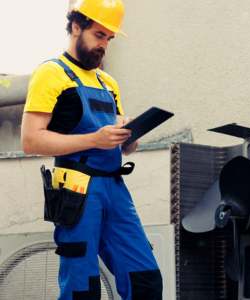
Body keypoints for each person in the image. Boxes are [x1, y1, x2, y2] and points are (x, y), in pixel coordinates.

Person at [20, 0, 162, 299]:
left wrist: (129, 135)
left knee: (146, 280)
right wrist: (93, 140)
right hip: (76, 189)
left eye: (109, 39)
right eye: (99, 35)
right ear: (76, 26)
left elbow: (125, 149)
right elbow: (31, 141)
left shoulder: (108, 82)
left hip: (114, 188)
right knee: (82, 288)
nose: (104, 46)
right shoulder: (50, 73)